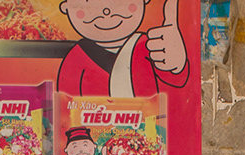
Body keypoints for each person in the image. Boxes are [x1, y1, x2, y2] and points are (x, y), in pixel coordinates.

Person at [56, 0, 191, 98]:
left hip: (147, 126)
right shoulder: (77, 57)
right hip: (93, 127)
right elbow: (66, 104)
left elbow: (177, 80)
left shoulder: (150, 45)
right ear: (66, 7)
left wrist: (177, 62)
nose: (106, 10)